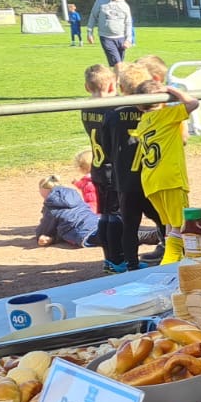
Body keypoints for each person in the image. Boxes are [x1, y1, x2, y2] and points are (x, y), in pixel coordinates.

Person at [127, 63, 200, 265]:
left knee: (169, 224)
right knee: (180, 225)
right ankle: (170, 264)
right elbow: (193, 103)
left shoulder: (143, 121)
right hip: (170, 178)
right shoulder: (167, 115)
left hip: (151, 180)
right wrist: (171, 91)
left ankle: (174, 258)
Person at [112, 61, 165, 269]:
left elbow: (107, 147)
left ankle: (131, 265)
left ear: (121, 87)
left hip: (126, 179)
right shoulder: (156, 113)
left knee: (130, 226)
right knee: (163, 219)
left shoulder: (113, 114)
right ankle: (169, 253)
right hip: (150, 176)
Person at [78, 64, 126, 273]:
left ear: (87, 87)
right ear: (112, 85)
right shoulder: (112, 109)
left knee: (105, 216)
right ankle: (117, 260)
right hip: (112, 169)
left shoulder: (86, 107)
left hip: (97, 168)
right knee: (115, 216)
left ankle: (109, 260)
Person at [35, 176, 101, 248]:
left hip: (83, 233)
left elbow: (44, 230)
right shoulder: (72, 193)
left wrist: (41, 236)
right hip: (96, 222)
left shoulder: (50, 206)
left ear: (43, 190)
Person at [87, 0, 133, 65]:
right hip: (106, 37)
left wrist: (128, 39)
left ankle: (116, 74)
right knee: (117, 64)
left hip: (121, 37)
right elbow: (93, 16)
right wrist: (89, 33)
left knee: (119, 64)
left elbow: (128, 23)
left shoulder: (125, 6)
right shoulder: (101, 1)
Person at [71, 148, 100, 213]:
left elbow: (82, 185)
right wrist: (76, 183)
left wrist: (75, 182)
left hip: (92, 208)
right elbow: (81, 184)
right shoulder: (99, 177)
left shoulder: (87, 181)